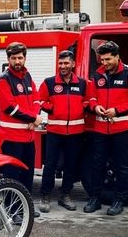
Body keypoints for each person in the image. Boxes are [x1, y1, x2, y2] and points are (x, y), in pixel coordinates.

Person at [85, 41, 128, 216]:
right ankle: (95, 199)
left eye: (108, 59)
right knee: (97, 165)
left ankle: (119, 200)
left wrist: (117, 111)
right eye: (102, 60)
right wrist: (96, 107)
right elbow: (91, 98)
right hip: (100, 128)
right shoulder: (98, 75)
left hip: (122, 128)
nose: (105, 63)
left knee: (121, 166)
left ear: (118, 57)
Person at [38, 50, 93, 212]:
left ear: (73, 64)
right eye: (60, 63)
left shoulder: (82, 83)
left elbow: (89, 100)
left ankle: (65, 196)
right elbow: (40, 100)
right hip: (55, 131)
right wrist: (51, 108)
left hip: (76, 132)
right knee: (50, 165)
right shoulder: (49, 83)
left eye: (66, 63)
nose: (63, 66)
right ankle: (45, 196)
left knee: (71, 165)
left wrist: (81, 107)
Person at [0, 42, 42, 219]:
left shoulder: (27, 76)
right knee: (12, 178)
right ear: (8, 59)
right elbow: (9, 108)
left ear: (24, 58)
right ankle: (11, 211)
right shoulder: (3, 80)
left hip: (28, 138)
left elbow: (37, 100)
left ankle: (26, 208)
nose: (17, 61)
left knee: (28, 175)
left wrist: (35, 117)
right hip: (12, 139)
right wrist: (33, 119)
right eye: (13, 58)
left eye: (20, 57)